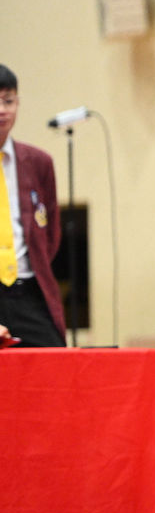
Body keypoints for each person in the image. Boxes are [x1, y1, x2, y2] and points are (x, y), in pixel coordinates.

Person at [0, 64, 65, 347]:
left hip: (27, 288)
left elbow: (50, 231)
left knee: (56, 360)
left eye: (8, 101)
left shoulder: (38, 162)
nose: (2, 110)